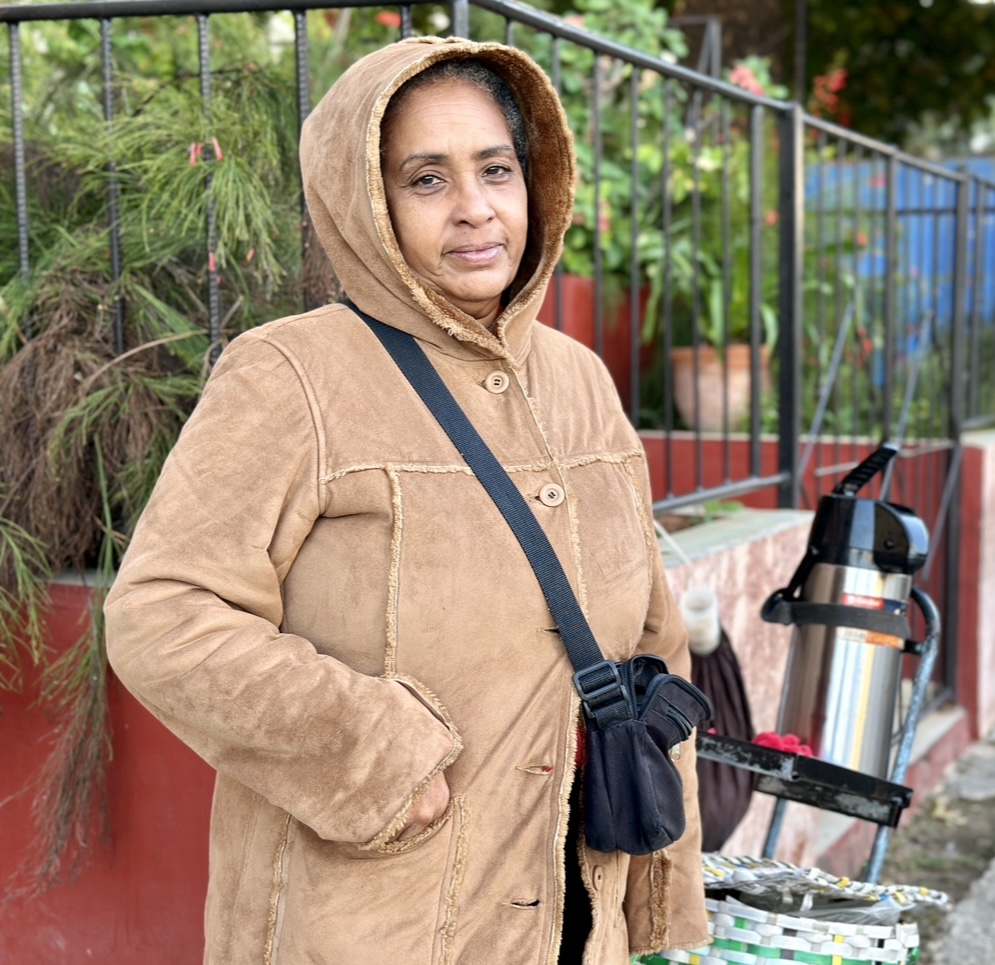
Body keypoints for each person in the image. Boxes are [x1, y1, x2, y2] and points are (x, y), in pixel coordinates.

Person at [104, 37, 709, 965]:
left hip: (576, 914)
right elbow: (163, 613)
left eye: (496, 170)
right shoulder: (292, 374)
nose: (474, 208)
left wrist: (663, 900)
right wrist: (377, 759)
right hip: (371, 924)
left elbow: (654, 645)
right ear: (368, 204)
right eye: (426, 179)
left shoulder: (580, 379)